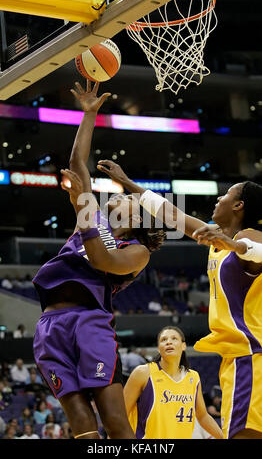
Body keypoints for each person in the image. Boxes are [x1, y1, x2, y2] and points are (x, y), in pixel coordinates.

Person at [32, 80, 165, 440]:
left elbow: (103, 260)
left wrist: (84, 209)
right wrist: (88, 115)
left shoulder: (137, 252)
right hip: (50, 325)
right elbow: (78, 163)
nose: (117, 199)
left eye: (126, 200)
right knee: (79, 421)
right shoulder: (94, 218)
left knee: (115, 421)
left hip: (90, 323)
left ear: (138, 219)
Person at [98, 162, 262, 440]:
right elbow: (172, 214)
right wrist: (129, 183)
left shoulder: (246, 237)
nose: (218, 199)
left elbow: (257, 251)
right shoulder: (215, 238)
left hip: (250, 356)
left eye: (225, 196)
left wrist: (234, 245)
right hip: (239, 357)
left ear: (239, 206)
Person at [124, 326, 223, 439]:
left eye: (174, 338)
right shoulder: (143, 373)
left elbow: (203, 416)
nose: (168, 342)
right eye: (163, 340)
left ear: (184, 346)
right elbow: (120, 415)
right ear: (158, 348)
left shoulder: (193, 377)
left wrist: (222, 437)